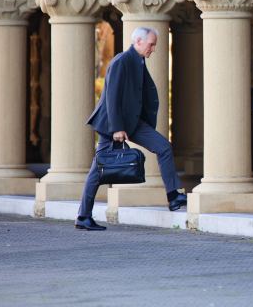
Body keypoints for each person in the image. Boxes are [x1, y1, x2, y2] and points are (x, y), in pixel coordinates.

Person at [74, 27, 187, 231]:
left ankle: (173, 196)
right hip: (113, 125)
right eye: (151, 44)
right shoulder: (121, 61)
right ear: (138, 42)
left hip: (132, 122)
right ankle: (83, 216)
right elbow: (112, 96)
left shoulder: (139, 60)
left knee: (163, 147)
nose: (153, 49)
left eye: (154, 45)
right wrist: (117, 128)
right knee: (98, 171)